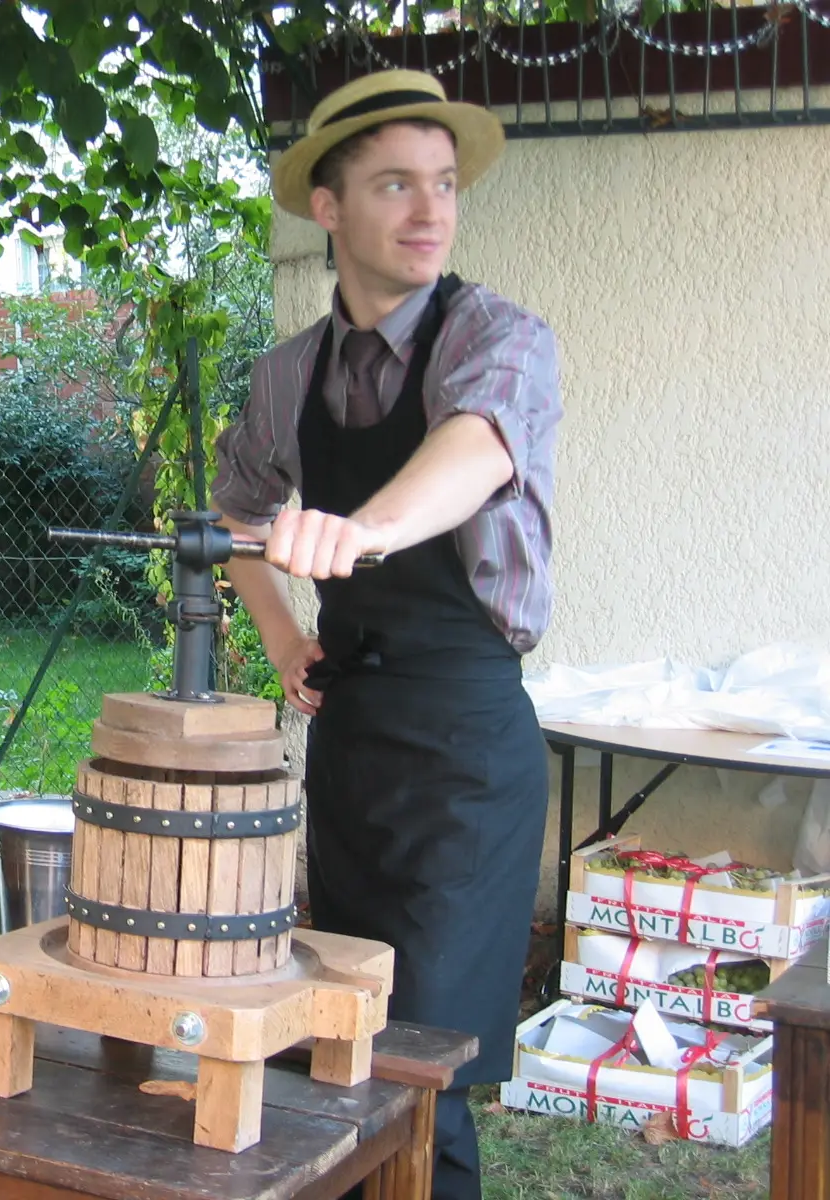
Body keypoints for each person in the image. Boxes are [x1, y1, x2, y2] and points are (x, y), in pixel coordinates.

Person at [210, 70, 562, 1199]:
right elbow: (234, 513)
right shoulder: (283, 379)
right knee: (344, 1042)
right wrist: (277, 636)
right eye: (396, 185)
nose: (430, 211)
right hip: (352, 737)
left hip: (466, 746)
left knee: (424, 1067)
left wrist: (357, 530)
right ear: (329, 207)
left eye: (445, 185)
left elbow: (472, 452)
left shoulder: (499, 340)